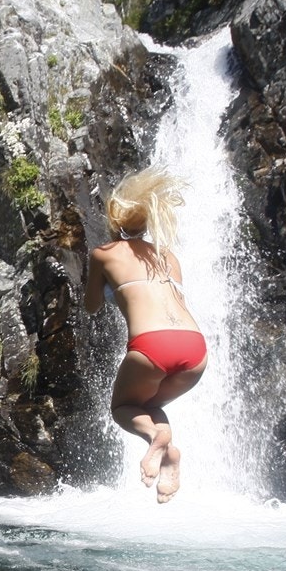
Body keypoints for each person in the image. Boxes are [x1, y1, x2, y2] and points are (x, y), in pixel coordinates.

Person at [84, 166, 207, 503]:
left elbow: (91, 306)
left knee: (123, 407)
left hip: (152, 344)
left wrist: (108, 288)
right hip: (195, 347)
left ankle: (156, 438)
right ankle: (168, 454)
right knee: (149, 405)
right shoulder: (168, 255)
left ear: (114, 222)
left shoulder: (103, 254)